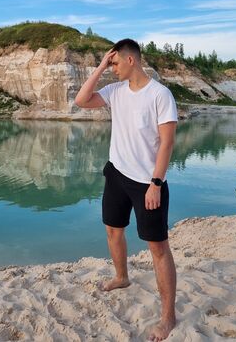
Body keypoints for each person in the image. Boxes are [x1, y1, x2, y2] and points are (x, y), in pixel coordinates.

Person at [75, 38, 178, 342]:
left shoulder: (160, 94)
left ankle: (168, 317)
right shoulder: (115, 91)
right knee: (113, 230)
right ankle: (122, 277)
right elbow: (81, 100)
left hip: (148, 182)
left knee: (158, 248)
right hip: (117, 174)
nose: (113, 69)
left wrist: (156, 183)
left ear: (131, 60)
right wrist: (100, 66)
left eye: (115, 63)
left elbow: (167, 143)